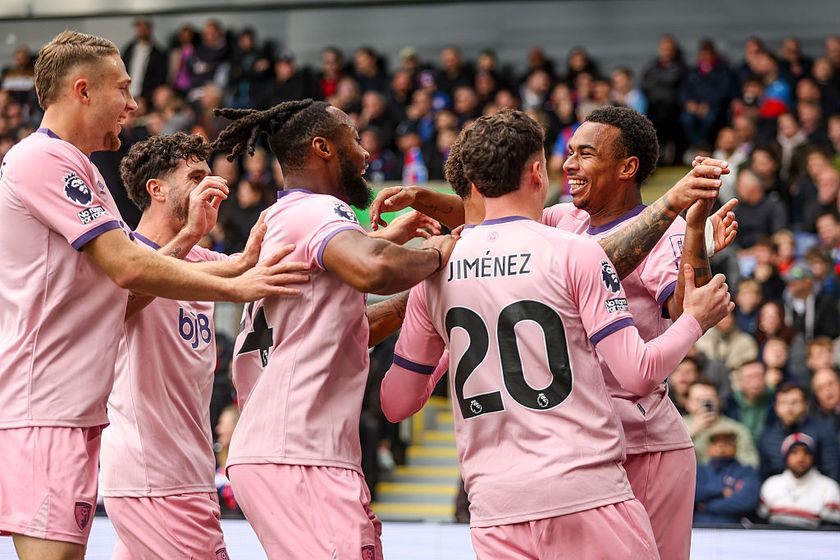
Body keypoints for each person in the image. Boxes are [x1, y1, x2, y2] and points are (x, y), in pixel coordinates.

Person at [371, 106, 738, 560]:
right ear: (536, 172)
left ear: (627, 167)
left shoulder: (666, 233)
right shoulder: (565, 222)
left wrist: (694, 231)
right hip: (576, 449)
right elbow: (497, 212)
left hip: (640, 441)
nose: (571, 164)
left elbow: (684, 308)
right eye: (568, 152)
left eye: (586, 153)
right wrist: (423, 199)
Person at [0, 31, 306, 560]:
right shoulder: (42, 159)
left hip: (75, 411)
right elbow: (128, 267)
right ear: (83, 90)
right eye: (122, 88)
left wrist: (221, 256)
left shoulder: (82, 171)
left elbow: (125, 292)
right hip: (46, 405)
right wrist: (234, 286)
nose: (133, 104)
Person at [210, 98, 458, 560]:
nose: (365, 154)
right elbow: (372, 268)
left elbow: (344, 327)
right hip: (297, 449)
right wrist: (437, 255)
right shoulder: (317, 209)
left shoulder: (287, 215)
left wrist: (415, 301)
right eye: (355, 139)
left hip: (289, 447)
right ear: (323, 148)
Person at [99, 132, 290, 559]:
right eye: (195, 177)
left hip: (188, 469)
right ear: (157, 189)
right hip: (153, 475)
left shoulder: (204, 260)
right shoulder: (122, 254)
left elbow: (255, 271)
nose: (210, 185)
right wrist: (190, 233)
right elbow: (123, 301)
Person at [758, 383, 840, 480]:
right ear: (776, 407)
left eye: (795, 402)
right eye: (783, 403)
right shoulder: (767, 437)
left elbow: (832, 470)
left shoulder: (823, 430)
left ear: (805, 404)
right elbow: (765, 475)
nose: (789, 408)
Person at [759, 433, 840, 527]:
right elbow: (761, 523)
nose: (801, 458)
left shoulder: (828, 487)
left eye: (806, 452)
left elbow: (831, 529)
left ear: (813, 457)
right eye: (794, 452)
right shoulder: (771, 484)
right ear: (786, 457)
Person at [683, 379, 759, 468]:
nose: (704, 404)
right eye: (698, 400)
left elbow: (751, 464)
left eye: (709, 399)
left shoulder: (736, 429)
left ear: (718, 400)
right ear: (688, 403)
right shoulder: (678, 426)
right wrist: (691, 433)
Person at [693, 426, 761, 525]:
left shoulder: (746, 471)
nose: (721, 446)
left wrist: (706, 506)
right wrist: (721, 491)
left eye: (727, 442)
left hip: (732, 528)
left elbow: (746, 502)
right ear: (708, 447)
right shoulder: (698, 470)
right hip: (698, 528)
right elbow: (692, 495)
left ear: (736, 447)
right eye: (716, 442)